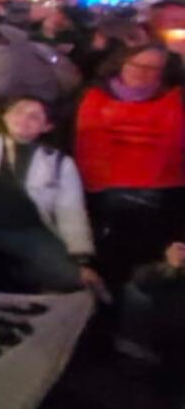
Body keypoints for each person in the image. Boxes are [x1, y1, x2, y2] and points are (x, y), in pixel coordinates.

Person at [0, 99, 100, 297]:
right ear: (5, 115)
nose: (24, 118)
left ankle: (24, 275)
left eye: (34, 116)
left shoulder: (59, 163)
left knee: (73, 279)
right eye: (18, 111)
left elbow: (71, 210)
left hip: (24, 230)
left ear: (47, 126)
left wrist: (81, 258)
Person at [72, 43, 185, 290]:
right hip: (103, 189)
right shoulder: (89, 96)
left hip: (163, 189)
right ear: (121, 64)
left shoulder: (177, 99)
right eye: (135, 64)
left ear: (162, 73)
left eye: (152, 68)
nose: (141, 72)